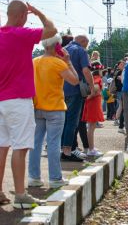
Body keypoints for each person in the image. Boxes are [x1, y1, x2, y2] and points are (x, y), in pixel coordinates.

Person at [0, 0, 56, 208]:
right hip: (18, 100)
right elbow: (51, 30)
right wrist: (39, 12)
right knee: (21, 147)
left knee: (2, 146)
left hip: (1, 100)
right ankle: (21, 195)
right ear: (23, 15)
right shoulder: (21, 34)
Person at [29, 35, 78, 189]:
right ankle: (55, 178)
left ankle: (34, 177)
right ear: (57, 46)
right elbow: (75, 80)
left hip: (37, 107)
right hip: (55, 108)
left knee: (36, 143)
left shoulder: (34, 62)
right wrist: (68, 61)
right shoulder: (59, 63)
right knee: (53, 143)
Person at [61, 35, 94, 162]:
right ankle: (68, 151)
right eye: (87, 43)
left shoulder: (63, 49)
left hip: (61, 89)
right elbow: (86, 70)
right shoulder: (81, 50)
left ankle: (63, 148)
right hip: (75, 89)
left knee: (63, 120)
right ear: (84, 41)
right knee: (72, 121)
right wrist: (91, 86)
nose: (87, 45)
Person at [81, 62, 104, 157]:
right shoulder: (97, 79)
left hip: (92, 103)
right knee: (91, 127)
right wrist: (90, 96)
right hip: (94, 104)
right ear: (99, 70)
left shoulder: (92, 78)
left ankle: (91, 147)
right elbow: (94, 91)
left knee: (90, 127)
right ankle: (91, 149)